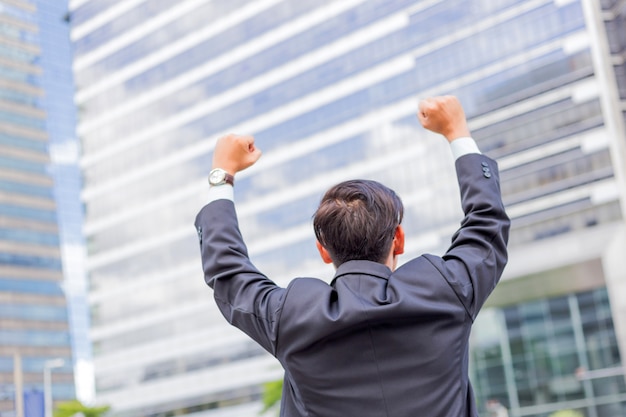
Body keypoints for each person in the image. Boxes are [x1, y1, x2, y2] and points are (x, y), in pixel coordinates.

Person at [194, 96, 510, 417]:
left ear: (323, 251)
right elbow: (487, 225)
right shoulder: (447, 290)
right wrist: (457, 130)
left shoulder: (291, 317)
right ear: (398, 240)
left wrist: (222, 174)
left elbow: (228, 273)